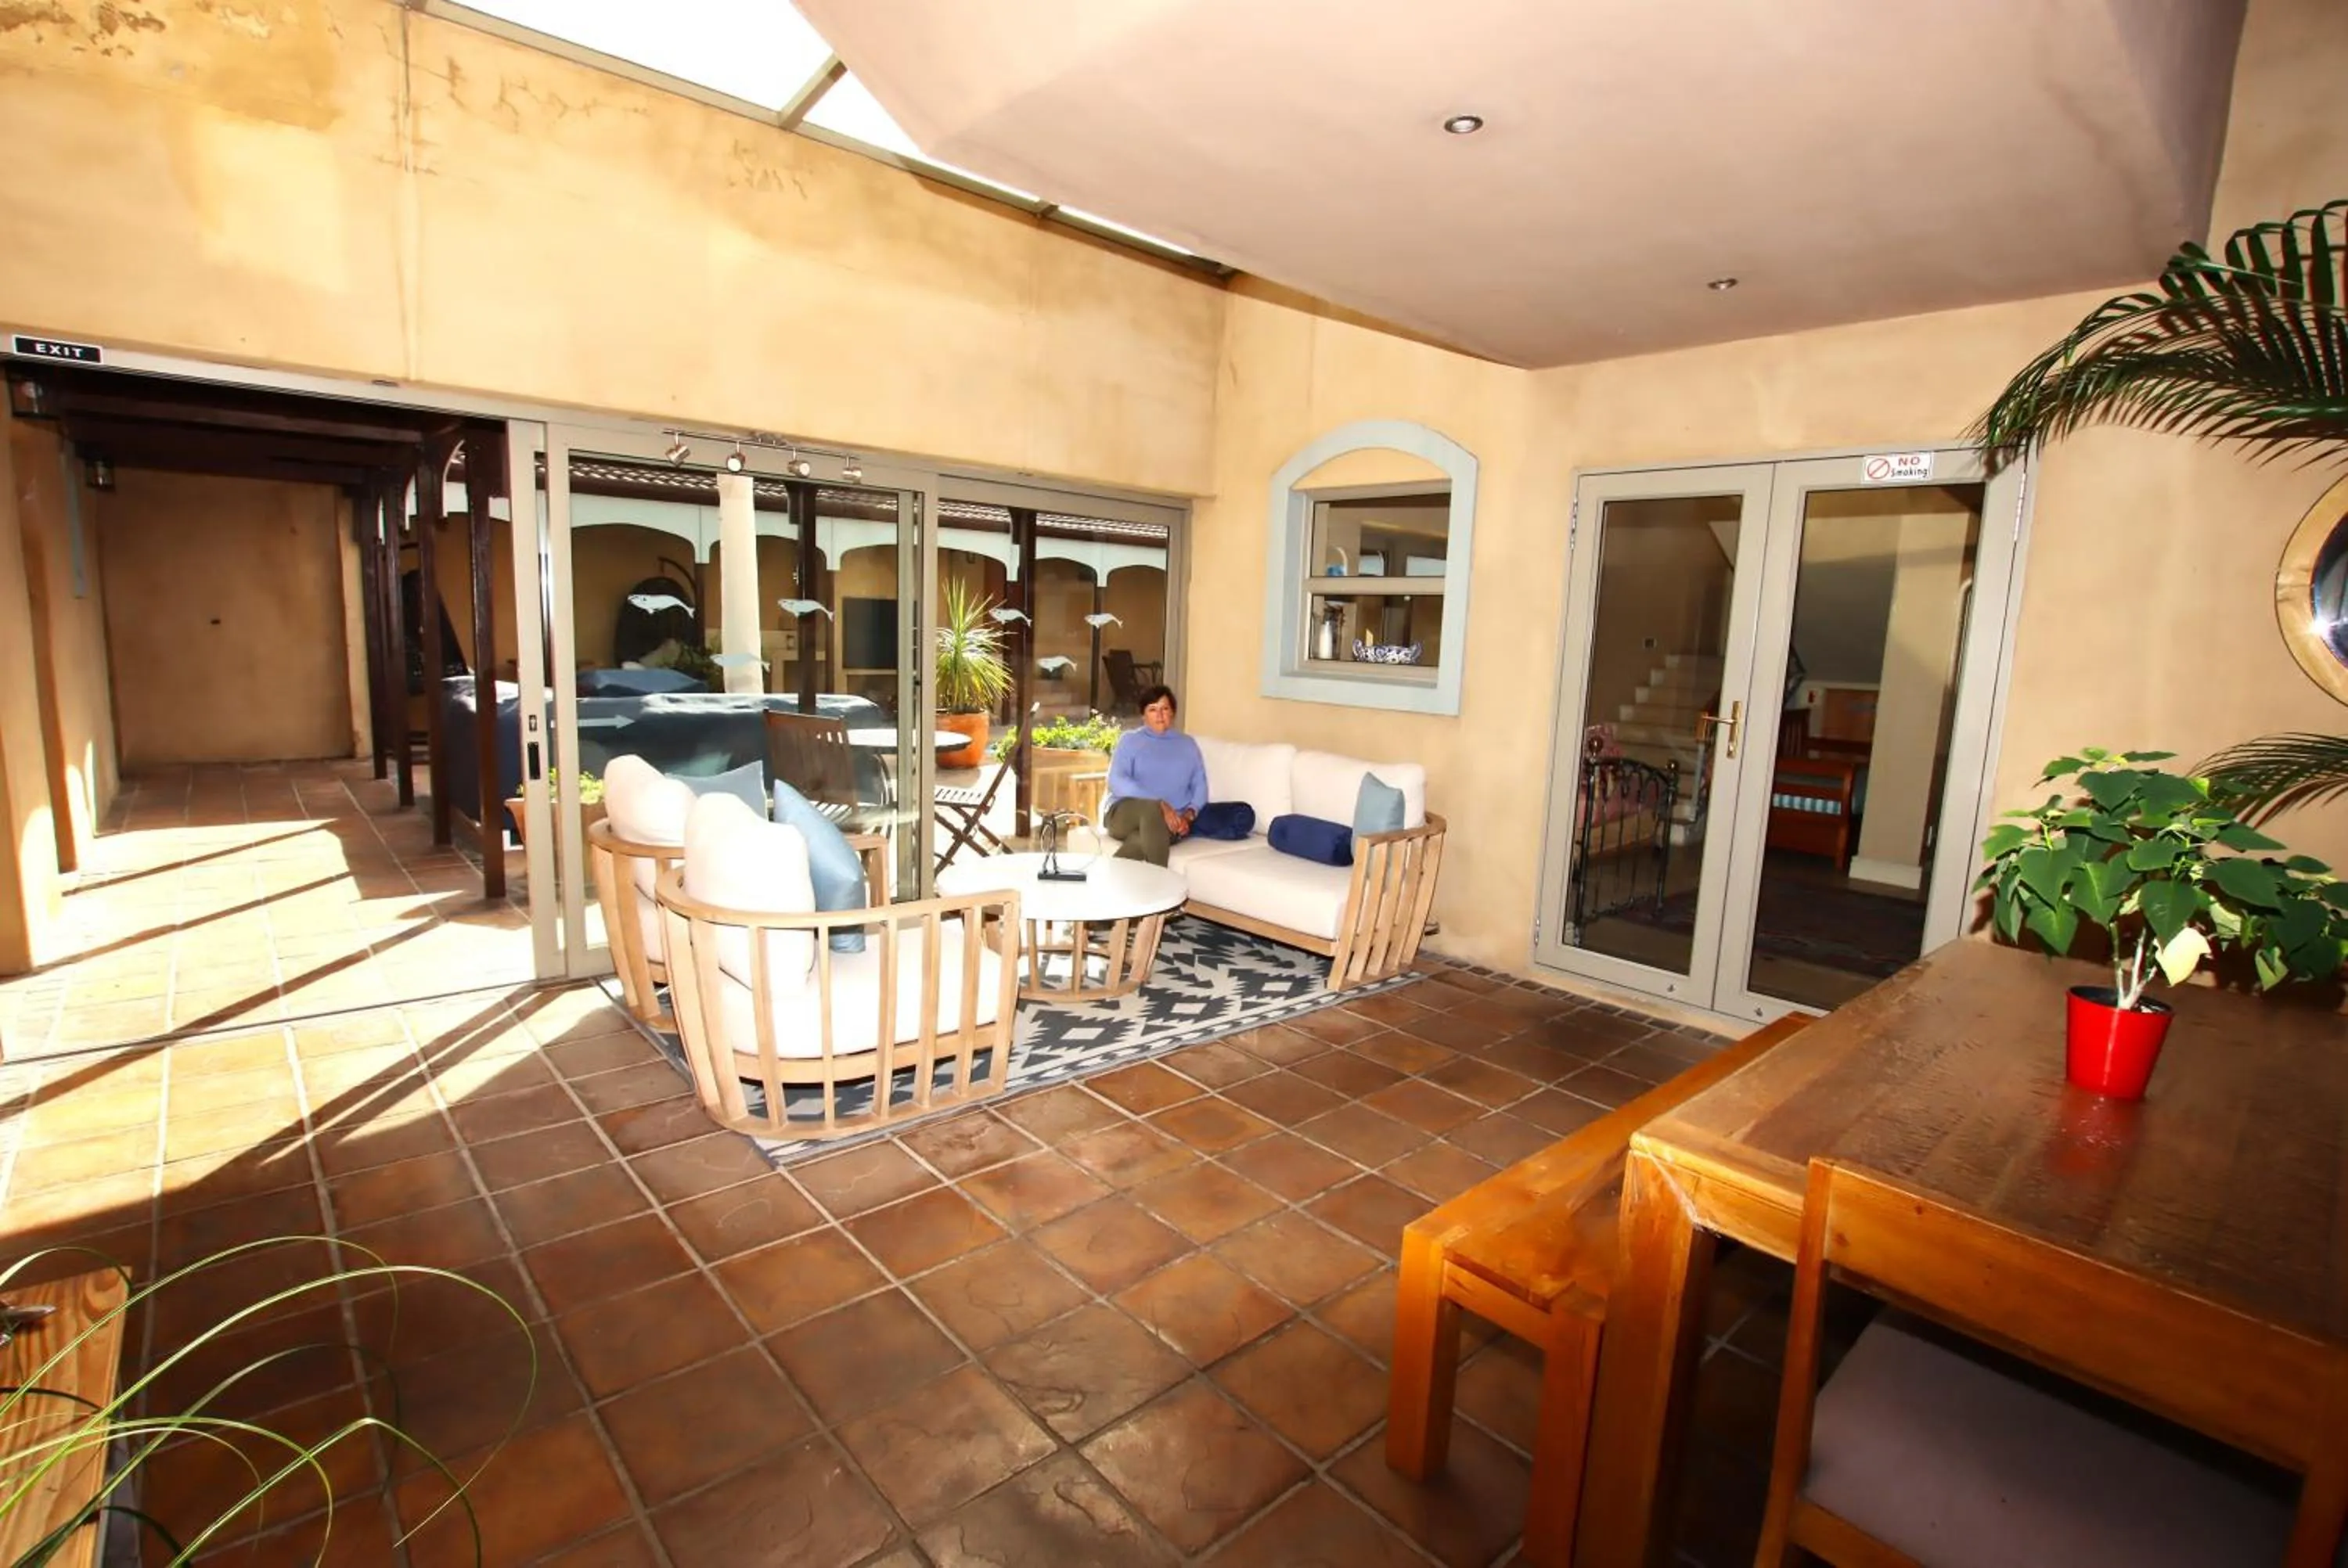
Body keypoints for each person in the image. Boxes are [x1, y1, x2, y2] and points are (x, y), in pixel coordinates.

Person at [1103, 685, 1205, 865]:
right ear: (1143, 715)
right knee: (1152, 810)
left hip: (1169, 821)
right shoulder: (1130, 740)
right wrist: (1160, 804)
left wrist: (1188, 816)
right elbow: (1116, 781)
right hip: (1124, 814)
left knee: (1142, 840)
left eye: (1165, 709)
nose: (1159, 715)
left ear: (1173, 712)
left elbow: (1200, 785)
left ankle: (1109, 883)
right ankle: (1163, 886)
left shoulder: (1188, 745)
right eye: (1153, 709)